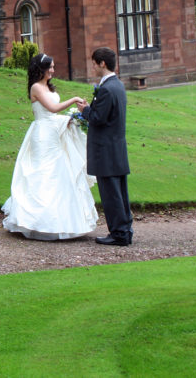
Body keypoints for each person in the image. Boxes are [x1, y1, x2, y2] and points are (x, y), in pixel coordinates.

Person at [1, 52, 98, 240]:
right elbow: (52, 109)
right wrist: (74, 100)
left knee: (60, 172)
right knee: (42, 173)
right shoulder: (36, 88)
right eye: (50, 67)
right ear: (42, 68)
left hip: (55, 133)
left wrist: (70, 119)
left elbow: (54, 114)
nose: (53, 70)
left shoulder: (49, 87)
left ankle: (63, 222)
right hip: (43, 135)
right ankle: (35, 222)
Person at [78, 47, 133, 246]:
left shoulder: (108, 89)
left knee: (111, 195)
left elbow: (99, 118)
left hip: (106, 150)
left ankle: (119, 234)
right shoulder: (117, 85)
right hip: (116, 148)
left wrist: (85, 110)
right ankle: (124, 231)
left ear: (102, 63)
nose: (93, 66)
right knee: (120, 193)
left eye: (94, 63)